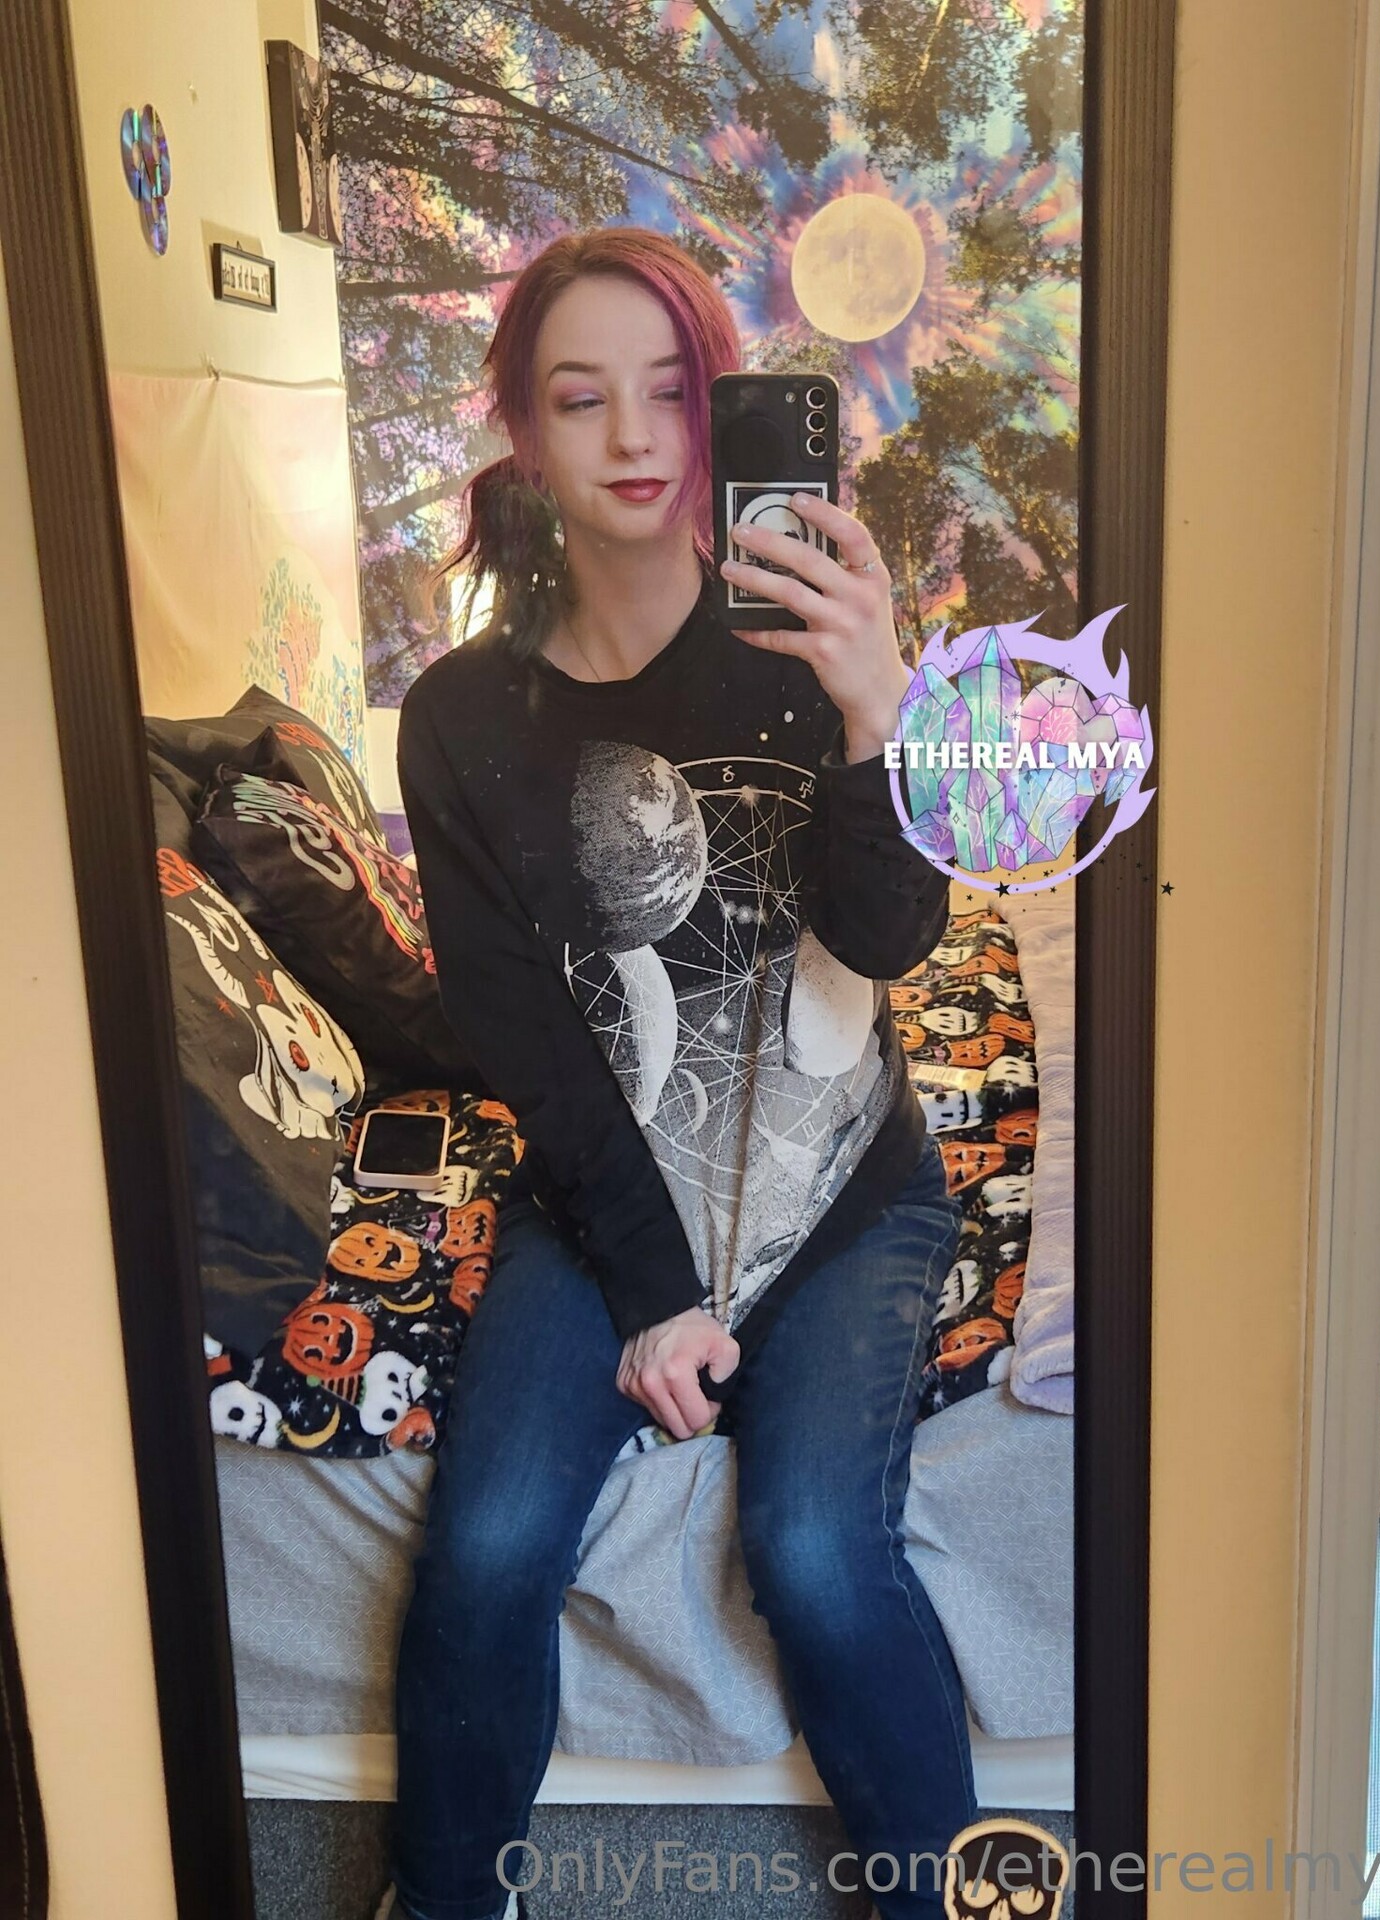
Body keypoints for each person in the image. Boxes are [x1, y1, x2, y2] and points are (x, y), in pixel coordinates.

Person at [378, 227, 978, 1920]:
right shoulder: (462, 719)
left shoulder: (805, 652)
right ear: (523, 428)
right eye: (582, 398)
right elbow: (528, 1042)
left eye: (670, 393)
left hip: (848, 1190)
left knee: (817, 1553)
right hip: (606, 1194)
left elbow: (892, 940)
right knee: (486, 1550)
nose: (635, 438)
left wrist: (877, 718)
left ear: (720, 416)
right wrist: (654, 1294)